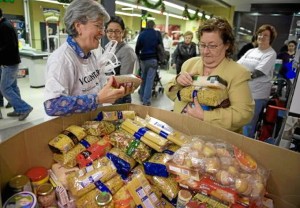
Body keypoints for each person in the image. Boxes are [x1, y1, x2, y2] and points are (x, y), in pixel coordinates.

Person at [44, 0, 133, 116]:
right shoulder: (62, 60)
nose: (102, 33)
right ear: (78, 26)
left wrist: (114, 90)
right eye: (98, 26)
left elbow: (94, 86)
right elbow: (52, 105)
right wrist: (96, 99)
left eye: (102, 28)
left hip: (91, 123)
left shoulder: (91, 55)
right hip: (71, 129)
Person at [165, 17, 254, 133]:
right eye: (202, 45)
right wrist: (177, 81)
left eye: (212, 46)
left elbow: (243, 114)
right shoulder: (189, 64)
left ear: (227, 45)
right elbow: (172, 95)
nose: (205, 51)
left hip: (215, 141)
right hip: (182, 132)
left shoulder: (238, 73)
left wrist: (205, 116)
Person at [237, 24, 277, 138]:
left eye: (266, 35)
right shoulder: (251, 51)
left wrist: (239, 76)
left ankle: (246, 151)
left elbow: (257, 73)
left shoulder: (271, 53)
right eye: (260, 34)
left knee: (248, 125)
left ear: (271, 38)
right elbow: (237, 66)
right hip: (244, 92)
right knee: (239, 122)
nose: (262, 37)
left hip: (257, 95)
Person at [0, 8, 33, 121]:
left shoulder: (4, 26)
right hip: (10, 61)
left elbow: (10, 45)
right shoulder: (5, 24)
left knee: (4, 88)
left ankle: (24, 108)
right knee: (13, 87)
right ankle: (18, 109)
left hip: (9, 62)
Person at [105, 15, 137, 104]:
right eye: (110, 31)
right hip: (108, 94)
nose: (113, 34)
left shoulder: (127, 51)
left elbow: (124, 80)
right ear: (106, 31)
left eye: (117, 31)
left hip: (120, 97)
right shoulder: (108, 47)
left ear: (122, 32)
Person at [135, 20, 161, 106]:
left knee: (143, 77)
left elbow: (137, 47)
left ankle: (142, 95)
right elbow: (161, 47)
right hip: (153, 59)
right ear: (154, 26)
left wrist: (139, 55)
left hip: (143, 59)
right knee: (150, 80)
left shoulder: (142, 34)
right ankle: (146, 100)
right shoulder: (157, 34)